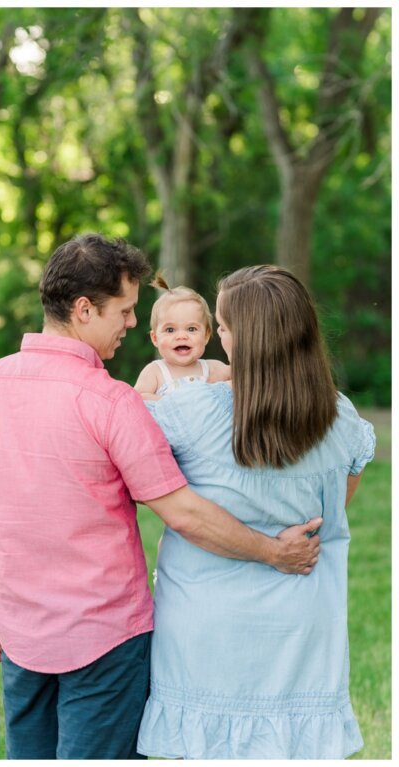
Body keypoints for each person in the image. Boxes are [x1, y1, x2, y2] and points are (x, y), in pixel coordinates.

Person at [0, 233, 322, 760]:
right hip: (106, 642)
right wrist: (273, 552)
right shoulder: (111, 401)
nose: (131, 323)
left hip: (20, 629)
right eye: (124, 310)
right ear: (83, 309)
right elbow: (183, 512)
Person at [136, 265, 374, 759]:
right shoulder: (340, 417)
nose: (216, 337)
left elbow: (165, 500)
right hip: (303, 629)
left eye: (220, 326)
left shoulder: (189, 414)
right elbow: (333, 508)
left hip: (207, 627)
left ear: (248, 338)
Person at [134, 273, 230, 399]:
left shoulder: (213, 368)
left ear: (206, 336)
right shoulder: (155, 372)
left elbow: (247, 375)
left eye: (191, 329)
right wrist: (168, 403)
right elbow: (135, 399)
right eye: (170, 330)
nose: (181, 336)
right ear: (155, 338)